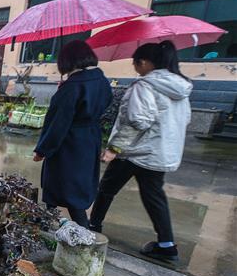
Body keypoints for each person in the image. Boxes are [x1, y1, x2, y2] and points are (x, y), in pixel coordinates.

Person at [89, 40, 192, 261]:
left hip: (134, 152)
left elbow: (137, 121)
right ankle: (167, 244)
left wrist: (114, 148)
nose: (135, 68)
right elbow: (185, 120)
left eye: (135, 63)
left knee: (106, 189)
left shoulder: (144, 86)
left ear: (144, 62)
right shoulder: (180, 88)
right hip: (160, 153)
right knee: (154, 197)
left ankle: (92, 227)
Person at [33, 40, 112, 227]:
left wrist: (42, 150)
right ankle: (51, 221)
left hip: (68, 144)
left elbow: (58, 123)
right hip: (90, 139)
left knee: (63, 186)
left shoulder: (73, 87)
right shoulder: (101, 81)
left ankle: (75, 229)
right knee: (77, 185)